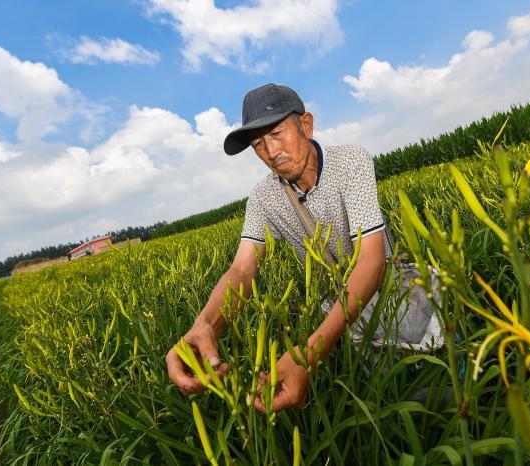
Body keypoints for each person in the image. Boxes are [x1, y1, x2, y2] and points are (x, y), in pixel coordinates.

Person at [166, 83, 393, 413]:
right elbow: (243, 269)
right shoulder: (262, 198)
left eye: (276, 134)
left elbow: (372, 260)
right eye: (258, 144)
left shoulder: (350, 162)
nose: (271, 152)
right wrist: (206, 325)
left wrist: (307, 355)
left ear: (306, 125)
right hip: (333, 308)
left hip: (387, 291)